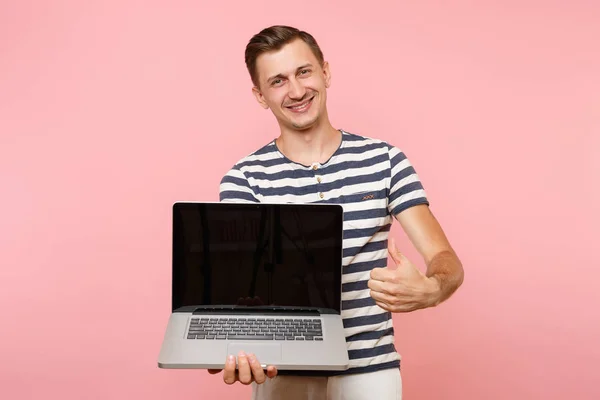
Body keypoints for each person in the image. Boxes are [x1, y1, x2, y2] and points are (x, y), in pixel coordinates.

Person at [209, 25, 464, 400]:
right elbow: (237, 287)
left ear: (325, 72)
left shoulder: (385, 161)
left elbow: (446, 260)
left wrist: (431, 289)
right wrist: (228, 346)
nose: (296, 91)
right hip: (283, 372)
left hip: (371, 372)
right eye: (277, 81)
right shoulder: (244, 179)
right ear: (260, 95)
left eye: (304, 72)